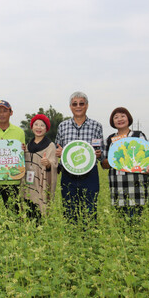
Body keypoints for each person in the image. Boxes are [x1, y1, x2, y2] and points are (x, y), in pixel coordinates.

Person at [55, 91, 104, 221]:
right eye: (74, 104)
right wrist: (59, 153)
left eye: (81, 103)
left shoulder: (96, 126)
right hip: (68, 174)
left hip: (90, 175)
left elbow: (101, 151)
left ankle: (89, 238)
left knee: (90, 210)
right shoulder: (62, 126)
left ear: (87, 105)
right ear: (70, 106)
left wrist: (99, 154)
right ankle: (72, 238)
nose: (78, 106)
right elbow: (57, 148)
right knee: (69, 210)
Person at [101, 107, 149, 217]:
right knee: (120, 221)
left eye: (123, 116)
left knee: (137, 220)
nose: (120, 119)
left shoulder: (138, 135)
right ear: (112, 122)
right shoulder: (110, 139)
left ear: (128, 119)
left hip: (136, 185)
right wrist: (114, 159)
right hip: (117, 185)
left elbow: (147, 157)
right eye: (116, 117)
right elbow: (104, 163)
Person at [20, 114, 58, 219]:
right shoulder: (28, 146)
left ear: (46, 129)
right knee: (28, 214)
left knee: (40, 217)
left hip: (41, 186)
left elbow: (54, 165)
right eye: (36, 124)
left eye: (42, 125)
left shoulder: (50, 146)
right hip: (28, 186)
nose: (38, 127)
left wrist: (48, 164)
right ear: (32, 127)